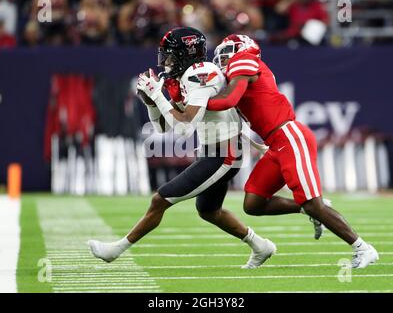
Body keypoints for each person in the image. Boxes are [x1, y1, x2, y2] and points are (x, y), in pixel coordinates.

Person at [88, 27, 276, 269]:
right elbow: (166, 128)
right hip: (212, 151)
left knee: (161, 198)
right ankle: (261, 246)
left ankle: (116, 249)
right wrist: (151, 102)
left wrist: (158, 96)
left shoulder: (202, 73)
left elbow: (186, 126)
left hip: (224, 154)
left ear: (186, 54)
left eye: (170, 55)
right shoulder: (184, 77)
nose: (165, 62)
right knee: (208, 210)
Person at [206, 34, 379, 269]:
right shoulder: (238, 73)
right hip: (276, 143)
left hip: (289, 136)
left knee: (313, 203)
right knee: (253, 203)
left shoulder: (245, 60)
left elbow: (229, 100)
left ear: (243, 50)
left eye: (228, 52)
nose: (222, 58)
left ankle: (363, 248)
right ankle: (310, 209)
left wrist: (196, 103)